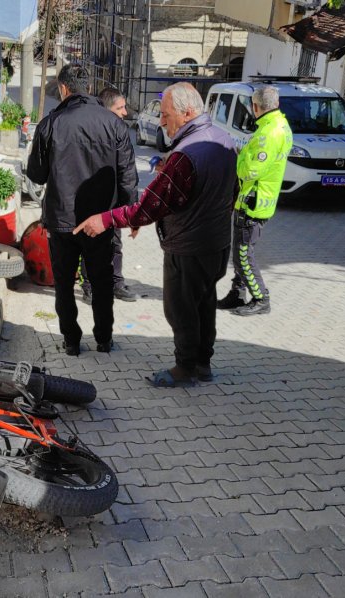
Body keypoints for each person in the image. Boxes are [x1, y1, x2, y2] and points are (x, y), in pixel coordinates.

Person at [73, 82, 236, 387]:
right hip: (216, 242)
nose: (161, 121)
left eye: (166, 114)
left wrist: (105, 219)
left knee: (182, 308)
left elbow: (147, 209)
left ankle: (186, 367)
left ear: (187, 114)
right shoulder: (222, 140)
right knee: (205, 302)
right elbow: (230, 192)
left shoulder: (187, 154)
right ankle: (203, 363)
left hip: (188, 245)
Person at [27, 65, 138, 356]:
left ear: (64, 89)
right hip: (101, 221)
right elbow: (128, 176)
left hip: (62, 221)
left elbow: (36, 175)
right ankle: (104, 338)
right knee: (102, 281)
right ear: (87, 87)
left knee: (64, 283)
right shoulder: (114, 124)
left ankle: (71, 341)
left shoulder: (50, 123)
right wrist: (131, 215)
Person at [217, 85, 293, 316]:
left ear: (255, 106)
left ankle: (261, 297)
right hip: (259, 198)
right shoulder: (279, 125)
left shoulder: (268, 133)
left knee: (243, 255)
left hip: (253, 201)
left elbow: (249, 171)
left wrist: (238, 159)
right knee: (242, 251)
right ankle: (238, 293)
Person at [80, 87, 138, 305]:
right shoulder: (91, 132)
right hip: (91, 200)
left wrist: (131, 209)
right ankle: (89, 286)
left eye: (124, 107)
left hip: (113, 203)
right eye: (119, 108)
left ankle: (116, 282)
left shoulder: (120, 132)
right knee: (89, 244)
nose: (124, 113)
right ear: (106, 110)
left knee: (115, 243)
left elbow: (128, 172)